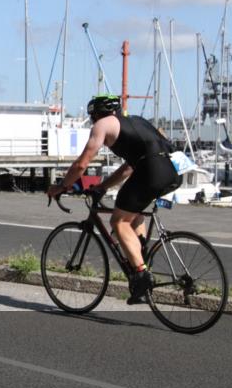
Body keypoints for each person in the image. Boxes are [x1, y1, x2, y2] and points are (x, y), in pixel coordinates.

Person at [46, 95, 181, 304]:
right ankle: (141, 260)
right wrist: (102, 186)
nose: (93, 121)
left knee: (118, 221)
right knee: (132, 213)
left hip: (153, 170)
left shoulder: (103, 125)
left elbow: (82, 164)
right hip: (175, 169)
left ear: (96, 114)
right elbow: (128, 168)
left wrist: (62, 186)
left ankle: (142, 275)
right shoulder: (136, 121)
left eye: (92, 116)